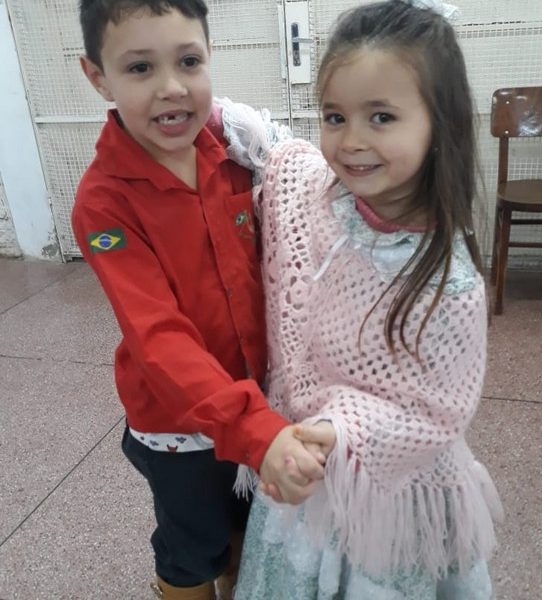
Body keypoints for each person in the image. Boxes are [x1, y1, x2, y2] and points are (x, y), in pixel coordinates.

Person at [230, 1, 504, 598]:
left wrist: (342, 431)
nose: (351, 141)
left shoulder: (450, 282)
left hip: (384, 495)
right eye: (335, 116)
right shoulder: (317, 195)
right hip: (304, 469)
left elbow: (435, 412)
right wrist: (200, 108)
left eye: (381, 117)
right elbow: (275, 150)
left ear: (440, 124)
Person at [71, 2, 328, 599]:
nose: (172, 87)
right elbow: (158, 339)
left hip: (258, 402)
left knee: (248, 532)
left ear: (210, 56)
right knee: (193, 550)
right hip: (180, 429)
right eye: (140, 68)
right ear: (98, 77)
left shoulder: (238, 151)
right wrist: (256, 431)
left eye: (188, 61)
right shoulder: (104, 203)